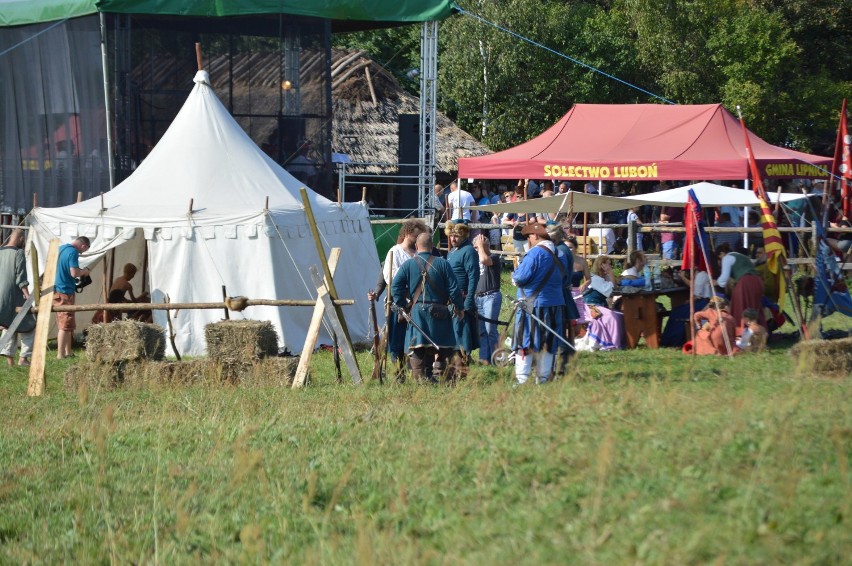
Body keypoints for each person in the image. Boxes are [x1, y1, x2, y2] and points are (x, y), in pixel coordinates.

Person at [391, 232, 463, 383]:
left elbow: (395, 287)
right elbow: (454, 290)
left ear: (416, 246)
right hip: (441, 312)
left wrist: (403, 306)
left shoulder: (409, 264)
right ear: (433, 246)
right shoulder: (443, 263)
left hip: (417, 312)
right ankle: (443, 379)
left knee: (418, 347)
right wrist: (459, 307)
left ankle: (422, 381)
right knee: (444, 348)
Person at [368, 219, 428, 378]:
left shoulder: (419, 254)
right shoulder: (395, 251)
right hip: (398, 303)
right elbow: (391, 277)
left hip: (417, 303)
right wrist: (405, 295)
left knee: (415, 338)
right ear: (408, 233)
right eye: (416, 235)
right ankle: (398, 373)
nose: (417, 239)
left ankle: (417, 370)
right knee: (397, 340)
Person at [511, 223, 568, 385]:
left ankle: (522, 379)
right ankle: (543, 379)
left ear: (535, 236)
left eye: (529, 237)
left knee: (525, 340)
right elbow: (566, 279)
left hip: (533, 306)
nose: (529, 240)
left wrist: (514, 276)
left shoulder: (535, 253)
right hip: (555, 305)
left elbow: (520, 277)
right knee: (547, 342)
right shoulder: (561, 254)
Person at [445, 222, 480, 376]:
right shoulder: (452, 252)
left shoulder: (468, 251)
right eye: (451, 235)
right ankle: (453, 373)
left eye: (457, 235)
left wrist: (468, 303)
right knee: (452, 339)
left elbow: (474, 278)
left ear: (464, 235)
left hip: (463, 301)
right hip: (451, 302)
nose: (453, 238)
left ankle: (463, 374)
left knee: (462, 341)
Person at [546, 223, 579, 374]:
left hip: (561, 293)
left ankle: (564, 364)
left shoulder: (560, 250)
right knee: (563, 329)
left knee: (561, 329)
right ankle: (564, 363)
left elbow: (562, 276)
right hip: (562, 291)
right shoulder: (561, 248)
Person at [575, 255, 625, 351]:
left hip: (599, 305)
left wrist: (610, 274)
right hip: (590, 306)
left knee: (620, 315)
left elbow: (615, 286)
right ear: (601, 265)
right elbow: (610, 291)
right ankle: (612, 343)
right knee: (613, 317)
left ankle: (620, 342)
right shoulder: (594, 278)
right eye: (608, 264)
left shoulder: (603, 277)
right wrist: (610, 273)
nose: (610, 266)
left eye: (610, 265)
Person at [0, 229, 35, 366]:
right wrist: (28, 298)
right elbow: (20, 278)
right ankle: (24, 358)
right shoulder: (18, 253)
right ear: (21, 239)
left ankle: (10, 361)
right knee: (30, 324)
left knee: (10, 325)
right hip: (12, 297)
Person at [55, 236, 91, 359]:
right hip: (64, 290)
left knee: (68, 322)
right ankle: (60, 354)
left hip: (59, 288)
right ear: (83, 246)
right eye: (84, 251)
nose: (82, 253)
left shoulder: (61, 248)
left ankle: (68, 351)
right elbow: (74, 273)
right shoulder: (73, 252)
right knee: (64, 323)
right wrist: (84, 272)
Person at [716, 242, 766, 330]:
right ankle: (760, 332)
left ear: (721, 254)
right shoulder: (742, 257)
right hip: (758, 281)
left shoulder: (727, 258)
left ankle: (740, 332)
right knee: (754, 308)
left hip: (745, 283)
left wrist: (715, 282)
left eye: (719, 259)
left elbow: (723, 280)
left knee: (740, 308)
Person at [660, 268, 713, 347]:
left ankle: (672, 340)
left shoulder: (701, 275)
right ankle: (671, 339)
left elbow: (696, 294)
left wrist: (683, 277)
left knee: (676, 312)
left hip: (703, 303)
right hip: (702, 302)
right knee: (677, 310)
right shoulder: (700, 274)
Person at [472, 233, 502, 365]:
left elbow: (485, 260)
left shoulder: (493, 257)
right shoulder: (475, 258)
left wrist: (481, 247)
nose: (476, 249)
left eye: (478, 246)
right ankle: (484, 359)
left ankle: (496, 358)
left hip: (491, 296)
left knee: (491, 329)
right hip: (479, 298)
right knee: (482, 331)